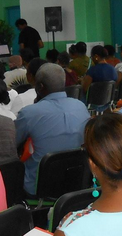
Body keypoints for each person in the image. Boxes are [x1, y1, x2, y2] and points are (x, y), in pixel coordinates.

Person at [15, 64, 90, 196]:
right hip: (76, 183)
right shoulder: (81, 106)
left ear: (39, 87)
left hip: (38, 187)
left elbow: (13, 143)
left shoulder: (29, 113)